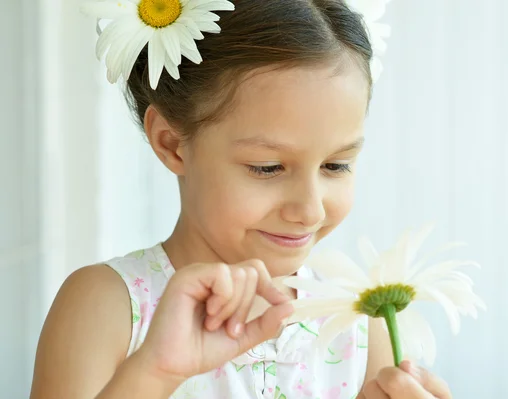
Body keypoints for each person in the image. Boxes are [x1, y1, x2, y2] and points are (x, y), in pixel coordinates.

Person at [30, 0, 453, 398]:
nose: (310, 209)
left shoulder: (358, 323)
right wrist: (155, 372)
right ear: (173, 143)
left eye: (336, 166)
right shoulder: (107, 306)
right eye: (268, 167)